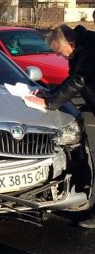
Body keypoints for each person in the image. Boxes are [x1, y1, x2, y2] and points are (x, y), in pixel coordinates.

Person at [25, 23, 95, 228]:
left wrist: (49, 103)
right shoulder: (81, 47)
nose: (62, 58)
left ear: (71, 44)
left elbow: (79, 81)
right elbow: (71, 79)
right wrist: (51, 93)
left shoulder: (91, 47)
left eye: (62, 54)